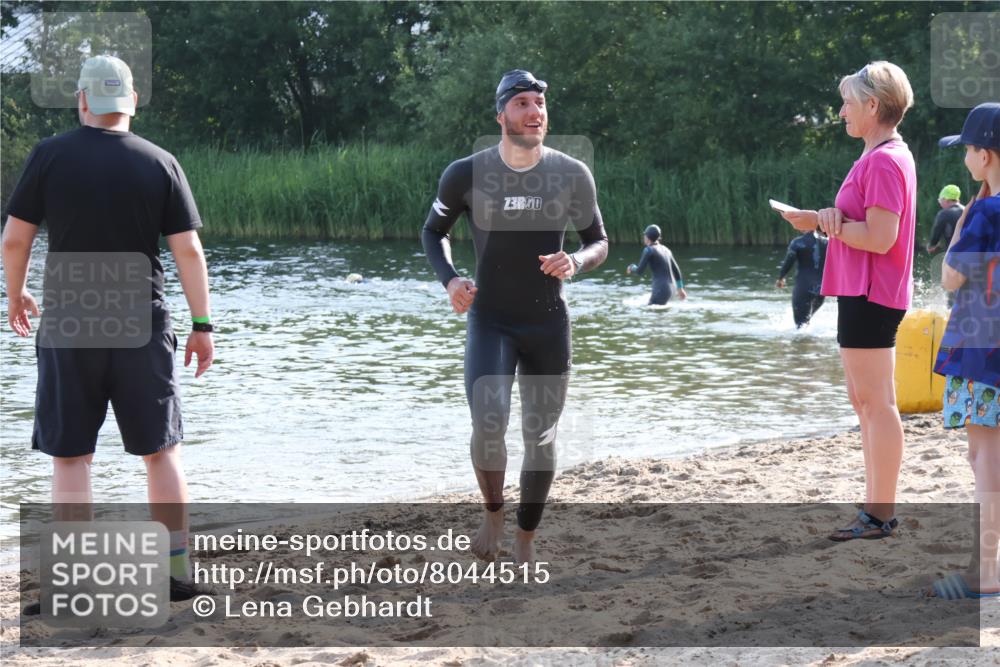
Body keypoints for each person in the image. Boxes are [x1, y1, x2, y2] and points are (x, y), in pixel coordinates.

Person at [2, 56, 215, 611]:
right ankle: (173, 575)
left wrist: (16, 293)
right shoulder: (159, 161)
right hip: (140, 319)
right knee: (161, 451)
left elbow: (13, 240)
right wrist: (202, 325)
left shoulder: (48, 157)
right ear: (132, 102)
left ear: (81, 101)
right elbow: (188, 251)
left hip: (70, 317)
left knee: (71, 457)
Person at [422, 69, 608, 564]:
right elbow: (432, 231)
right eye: (522, 103)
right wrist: (451, 279)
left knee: (540, 436)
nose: (534, 111)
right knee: (488, 423)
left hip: (548, 321)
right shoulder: (466, 172)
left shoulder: (571, 173)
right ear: (501, 114)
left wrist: (576, 261)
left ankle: (525, 536)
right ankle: (493, 511)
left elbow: (599, 241)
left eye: (540, 103)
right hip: (491, 319)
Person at [779, 61, 916, 541]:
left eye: (848, 104)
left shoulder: (883, 159)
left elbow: (881, 237)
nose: (840, 113)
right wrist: (831, 215)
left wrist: (817, 220)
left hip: (871, 294)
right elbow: (865, 223)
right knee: (867, 403)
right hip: (868, 293)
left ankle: (879, 514)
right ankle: (876, 509)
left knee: (876, 404)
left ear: (873, 106)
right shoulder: (883, 155)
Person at [929, 103, 1000, 600]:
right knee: (986, 454)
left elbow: (951, 277)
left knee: (985, 457)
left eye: (969, 151)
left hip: (983, 346)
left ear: (987, 154)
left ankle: (987, 572)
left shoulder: (988, 211)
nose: (965, 161)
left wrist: (961, 223)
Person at [775, 230, 828, 328]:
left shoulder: (798, 242)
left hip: (803, 287)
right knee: (806, 321)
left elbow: (789, 261)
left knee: (800, 325)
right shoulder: (826, 242)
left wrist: (781, 278)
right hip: (822, 288)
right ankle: (810, 342)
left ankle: (801, 342)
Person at [626, 224, 686, 305]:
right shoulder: (666, 250)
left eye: (644, 235)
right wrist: (680, 288)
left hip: (661, 290)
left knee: (651, 314)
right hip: (672, 289)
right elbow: (676, 270)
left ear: (647, 237)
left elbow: (639, 271)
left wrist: (632, 267)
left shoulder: (648, 250)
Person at [926, 184, 964, 254]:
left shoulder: (944, 214)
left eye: (940, 200)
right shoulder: (968, 210)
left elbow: (936, 234)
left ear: (946, 200)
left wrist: (931, 245)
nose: (940, 204)